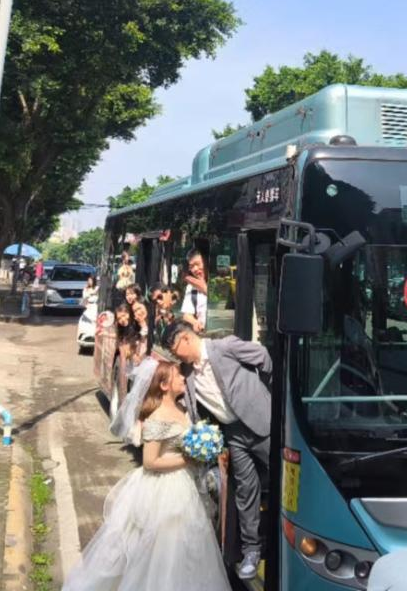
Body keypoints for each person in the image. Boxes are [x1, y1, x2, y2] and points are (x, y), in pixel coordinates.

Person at [64, 354, 232, 591]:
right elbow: (150, 462)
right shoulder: (156, 418)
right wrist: (187, 459)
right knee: (163, 548)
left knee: (186, 547)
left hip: (185, 484)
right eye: (178, 377)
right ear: (164, 385)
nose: (184, 379)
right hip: (163, 489)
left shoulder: (182, 409)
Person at [166, 321, 271, 580]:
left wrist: (266, 395)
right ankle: (251, 551)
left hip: (263, 423)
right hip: (232, 433)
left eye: (174, 348)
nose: (175, 355)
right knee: (246, 490)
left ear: (186, 339)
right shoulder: (187, 374)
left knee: (286, 479)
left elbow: (264, 358)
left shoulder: (225, 346)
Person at [181, 246, 209, 332]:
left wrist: (204, 288)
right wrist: (195, 322)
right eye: (192, 266)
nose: (195, 269)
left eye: (198, 264)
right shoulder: (191, 287)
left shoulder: (220, 282)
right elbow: (186, 314)